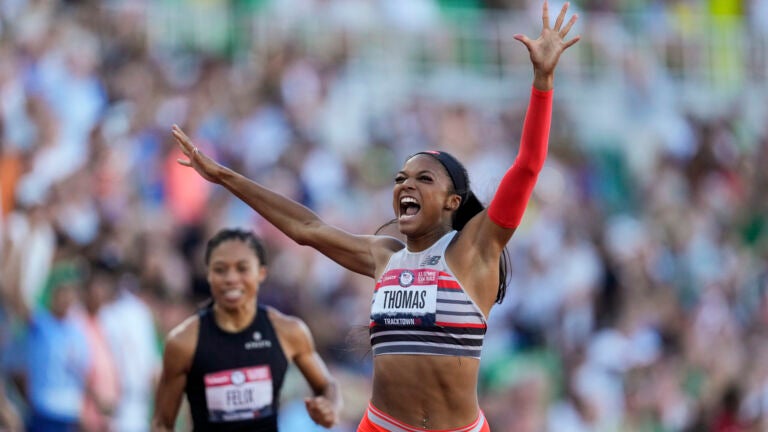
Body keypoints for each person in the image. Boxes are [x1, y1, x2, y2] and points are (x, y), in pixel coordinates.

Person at [171, 2, 579, 430]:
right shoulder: (385, 257)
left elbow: (528, 166)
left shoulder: (475, 251)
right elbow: (306, 228)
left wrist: (543, 81)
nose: (406, 185)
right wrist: (225, 178)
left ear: (453, 202)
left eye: (423, 179)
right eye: (401, 178)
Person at [151, 228, 342, 432]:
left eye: (242, 269)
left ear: (261, 273)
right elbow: (162, 423)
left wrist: (330, 407)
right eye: (220, 269)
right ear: (209, 275)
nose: (231, 279)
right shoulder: (183, 342)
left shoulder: (288, 331)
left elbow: (327, 386)